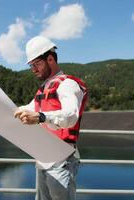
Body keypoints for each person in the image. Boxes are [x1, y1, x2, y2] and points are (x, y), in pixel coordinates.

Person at [14, 35, 88, 200]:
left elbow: (71, 116)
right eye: (31, 65)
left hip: (62, 160)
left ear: (50, 59)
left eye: (37, 64)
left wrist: (40, 117)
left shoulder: (67, 85)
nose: (34, 69)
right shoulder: (44, 89)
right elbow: (28, 108)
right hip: (44, 158)